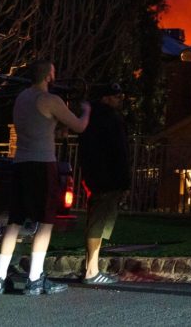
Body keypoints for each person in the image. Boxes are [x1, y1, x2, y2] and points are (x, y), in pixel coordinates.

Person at [0, 60, 90, 296]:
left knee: (14, 221)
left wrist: (54, 127)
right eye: (54, 73)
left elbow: (36, 126)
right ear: (48, 76)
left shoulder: (21, 98)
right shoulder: (50, 100)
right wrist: (87, 110)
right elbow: (79, 126)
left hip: (20, 163)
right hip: (42, 164)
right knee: (45, 221)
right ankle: (35, 278)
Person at [77, 81, 131, 284]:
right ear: (105, 98)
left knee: (98, 221)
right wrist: (124, 180)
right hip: (109, 178)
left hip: (95, 176)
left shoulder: (89, 117)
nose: (120, 100)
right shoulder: (110, 119)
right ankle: (92, 270)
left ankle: (91, 267)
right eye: (117, 97)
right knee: (98, 223)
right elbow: (120, 151)